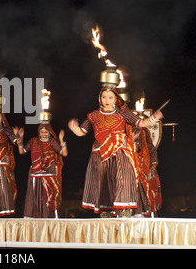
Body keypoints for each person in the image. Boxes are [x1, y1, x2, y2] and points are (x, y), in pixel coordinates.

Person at [68, 85, 163, 217]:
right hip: (100, 153)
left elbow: (140, 123)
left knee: (123, 178)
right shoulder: (94, 115)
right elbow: (81, 132)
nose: (107, 100)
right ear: (100, 98)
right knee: (103, 181)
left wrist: (154, 118)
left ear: (115, 99)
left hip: (120, 151)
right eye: (104, 97)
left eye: (110, 97)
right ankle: (106, 209)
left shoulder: (123, 113)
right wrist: (73, 128)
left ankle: (124, 208)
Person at [16, 124, 68, 218]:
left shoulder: (52, 142)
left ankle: (50, 218)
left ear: (50, 133)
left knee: (49, 198)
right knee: (35, 197)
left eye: (46, 132)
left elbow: (63, 153)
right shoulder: (33, 141)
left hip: (50, 174)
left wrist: (61, 140)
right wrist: (20, 140)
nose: (44, 134)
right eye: (42, 132)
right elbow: (22, 151)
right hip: (35, 174)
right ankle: (34, 218)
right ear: (39, 132)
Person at [132, 125, 162, 216]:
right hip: (134, 174)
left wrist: (149, 171)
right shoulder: (131, 147)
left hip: (147, 174)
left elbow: (154, 162)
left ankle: (148, 212)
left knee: (149, 187)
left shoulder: (150, 147)